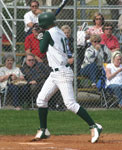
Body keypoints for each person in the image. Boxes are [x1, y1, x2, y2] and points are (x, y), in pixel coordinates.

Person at [33, 12, 102, 143]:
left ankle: (94, 126)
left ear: (45, 24)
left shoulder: (48, 33)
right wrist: (43, 34)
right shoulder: (58, 31)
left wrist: (41, 36)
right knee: (41, 100)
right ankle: (43, 130)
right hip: (55, 73)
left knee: (70, 104)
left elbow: (42, 50)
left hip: (62, 73)